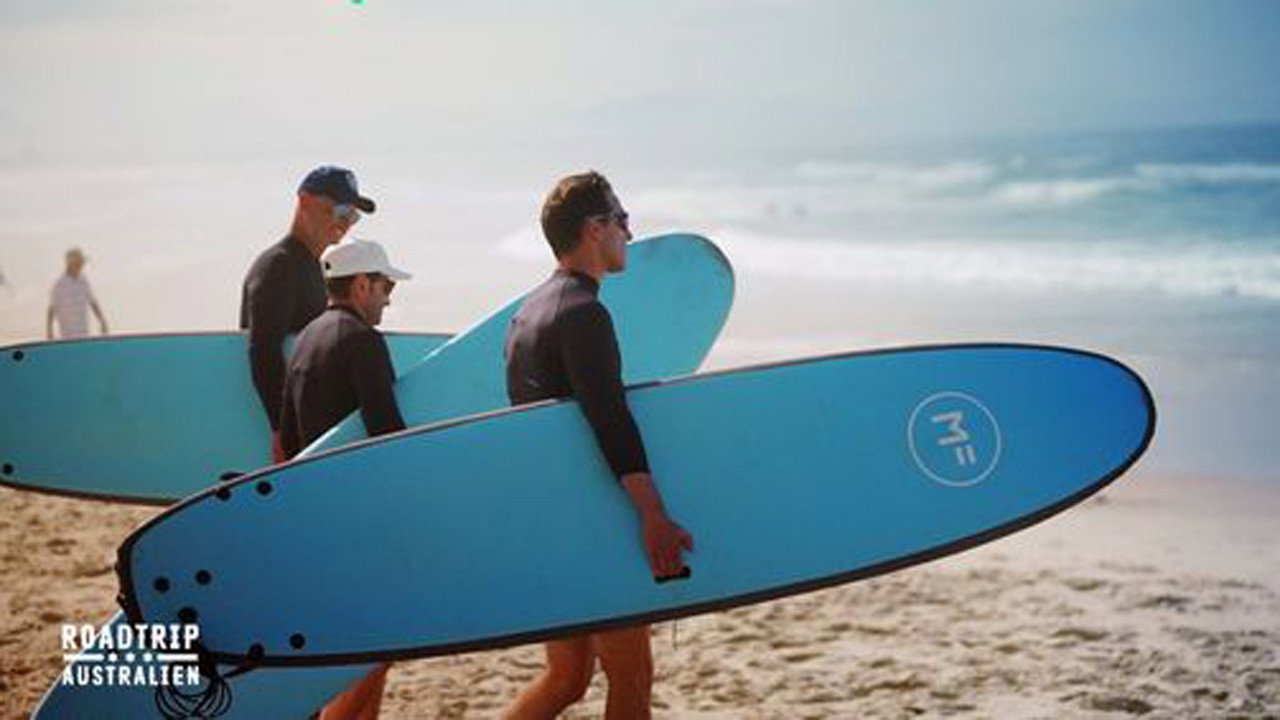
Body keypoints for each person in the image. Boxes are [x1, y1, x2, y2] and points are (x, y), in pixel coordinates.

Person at [502, 171, 693, 720]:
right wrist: (653, 514)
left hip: (549, 521)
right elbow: (609, 419)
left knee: (567, 675)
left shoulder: (526, 312)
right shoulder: (584, 312)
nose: (629, 234)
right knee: (631, 674)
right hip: (593, 526)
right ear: (595, 228)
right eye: (622, 220)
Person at [278, 238, 412, 720]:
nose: (389, 297)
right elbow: (388, 440)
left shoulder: (307, 340)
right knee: (371, 655)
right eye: (385, 285)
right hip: (358, 524)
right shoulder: (361, 341)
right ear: (362, 284)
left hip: (313, 519)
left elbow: (289, 443)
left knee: (356, 656)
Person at [240, 165, 376, 463]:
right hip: (284, 436)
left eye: (352, 216)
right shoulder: (279, 265)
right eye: (340, 211)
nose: (345, 224)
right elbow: (263, 351)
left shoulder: (314, 269)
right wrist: (281, 432)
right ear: (304, 201)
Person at [46, 247, 108, 339]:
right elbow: (52, 309)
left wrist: (102, 321)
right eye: (79, 263)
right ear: (71, 264)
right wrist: (49, 331)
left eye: (81, 263)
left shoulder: (83, 281)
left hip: (84, 333)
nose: (81, 266)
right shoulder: (60, 284)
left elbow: (93, 303)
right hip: (67, 335)